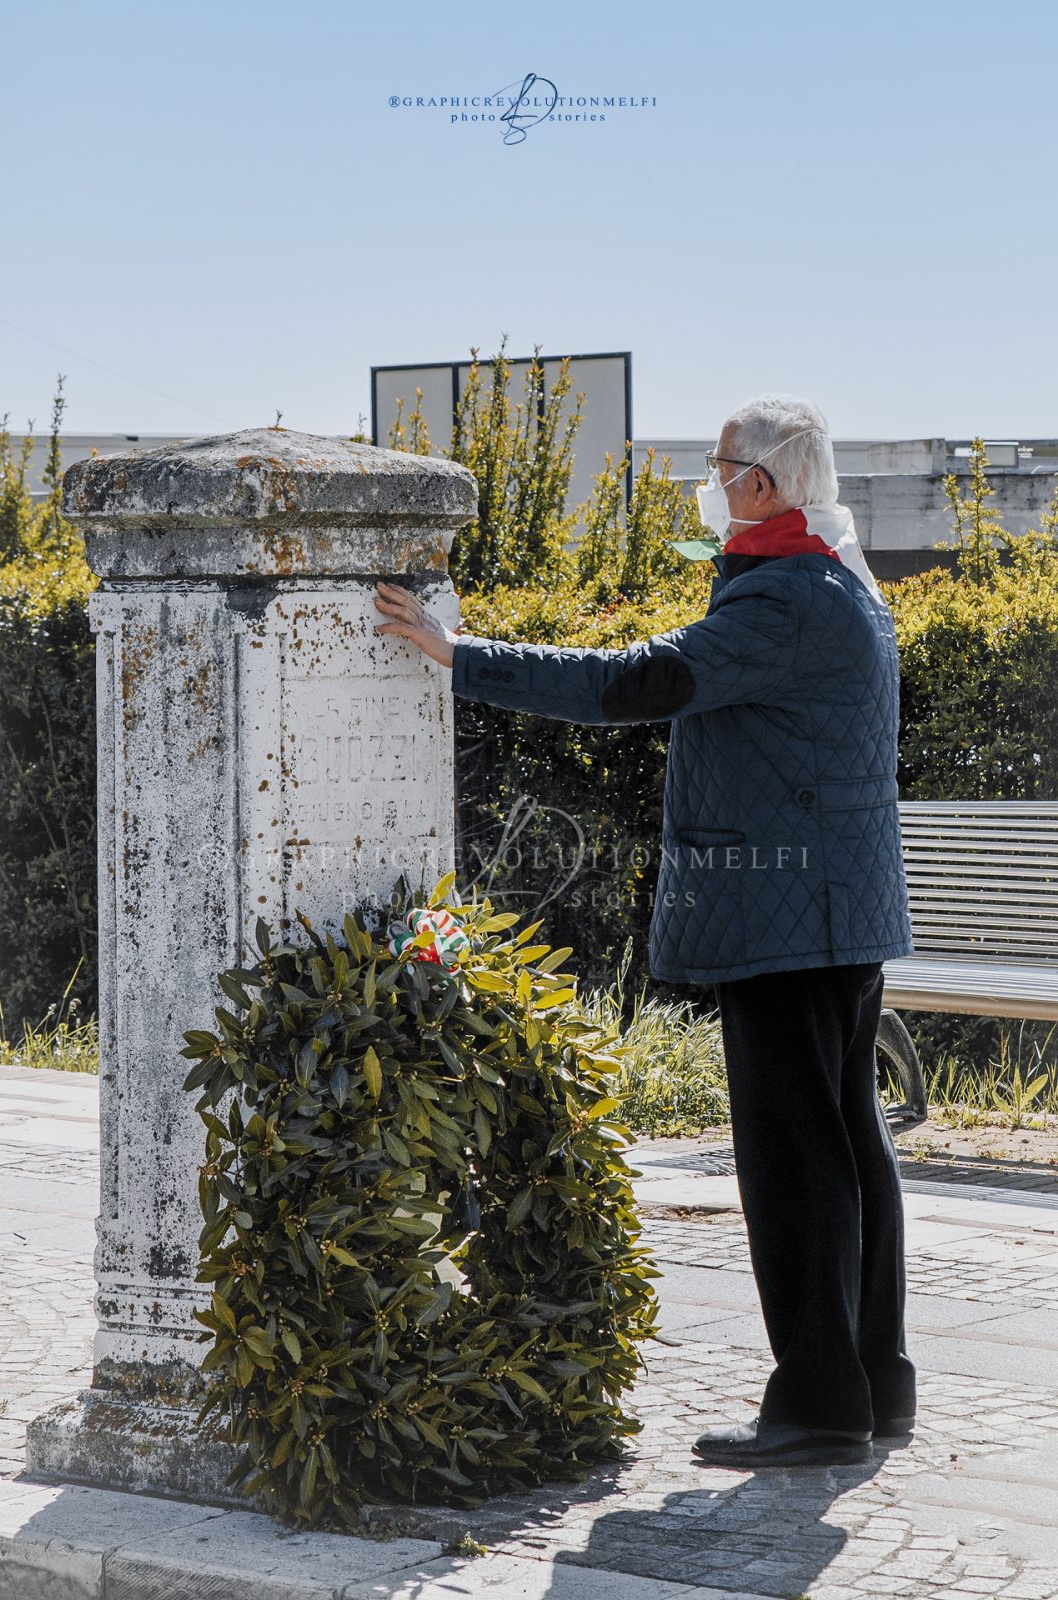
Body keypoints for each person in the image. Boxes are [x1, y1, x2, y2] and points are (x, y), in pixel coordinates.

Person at [372, 392, 917, 1469]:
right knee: (849, 1141)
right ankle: (870, 1385)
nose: (709, 485)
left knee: (793, 1156)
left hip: (787, 921)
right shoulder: (834, 579)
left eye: (719, 467)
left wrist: (459, 651)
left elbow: (639, 680)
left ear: (759, 483)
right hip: (832, 915)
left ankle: (817, 1403)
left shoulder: (783, 600)